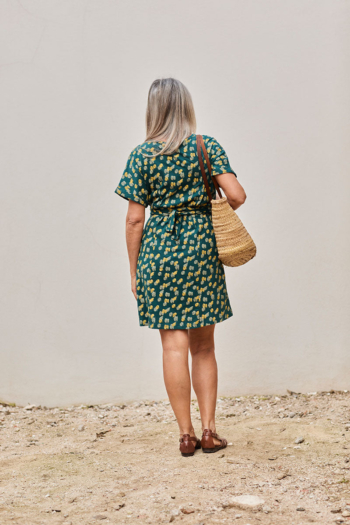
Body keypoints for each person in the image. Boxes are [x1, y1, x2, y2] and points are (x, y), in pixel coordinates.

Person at [115, 78, 247, 456]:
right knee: (203, 346)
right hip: (200, 251)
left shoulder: (141, 156)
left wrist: (134, 270)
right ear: (186, 106)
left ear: (152, 110)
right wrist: (206, 209)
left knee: (173, 346)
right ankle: (209, 431)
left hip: (157, 254)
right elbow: (236, 194)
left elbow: (133, 221)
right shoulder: (206, 146)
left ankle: (185, 436)